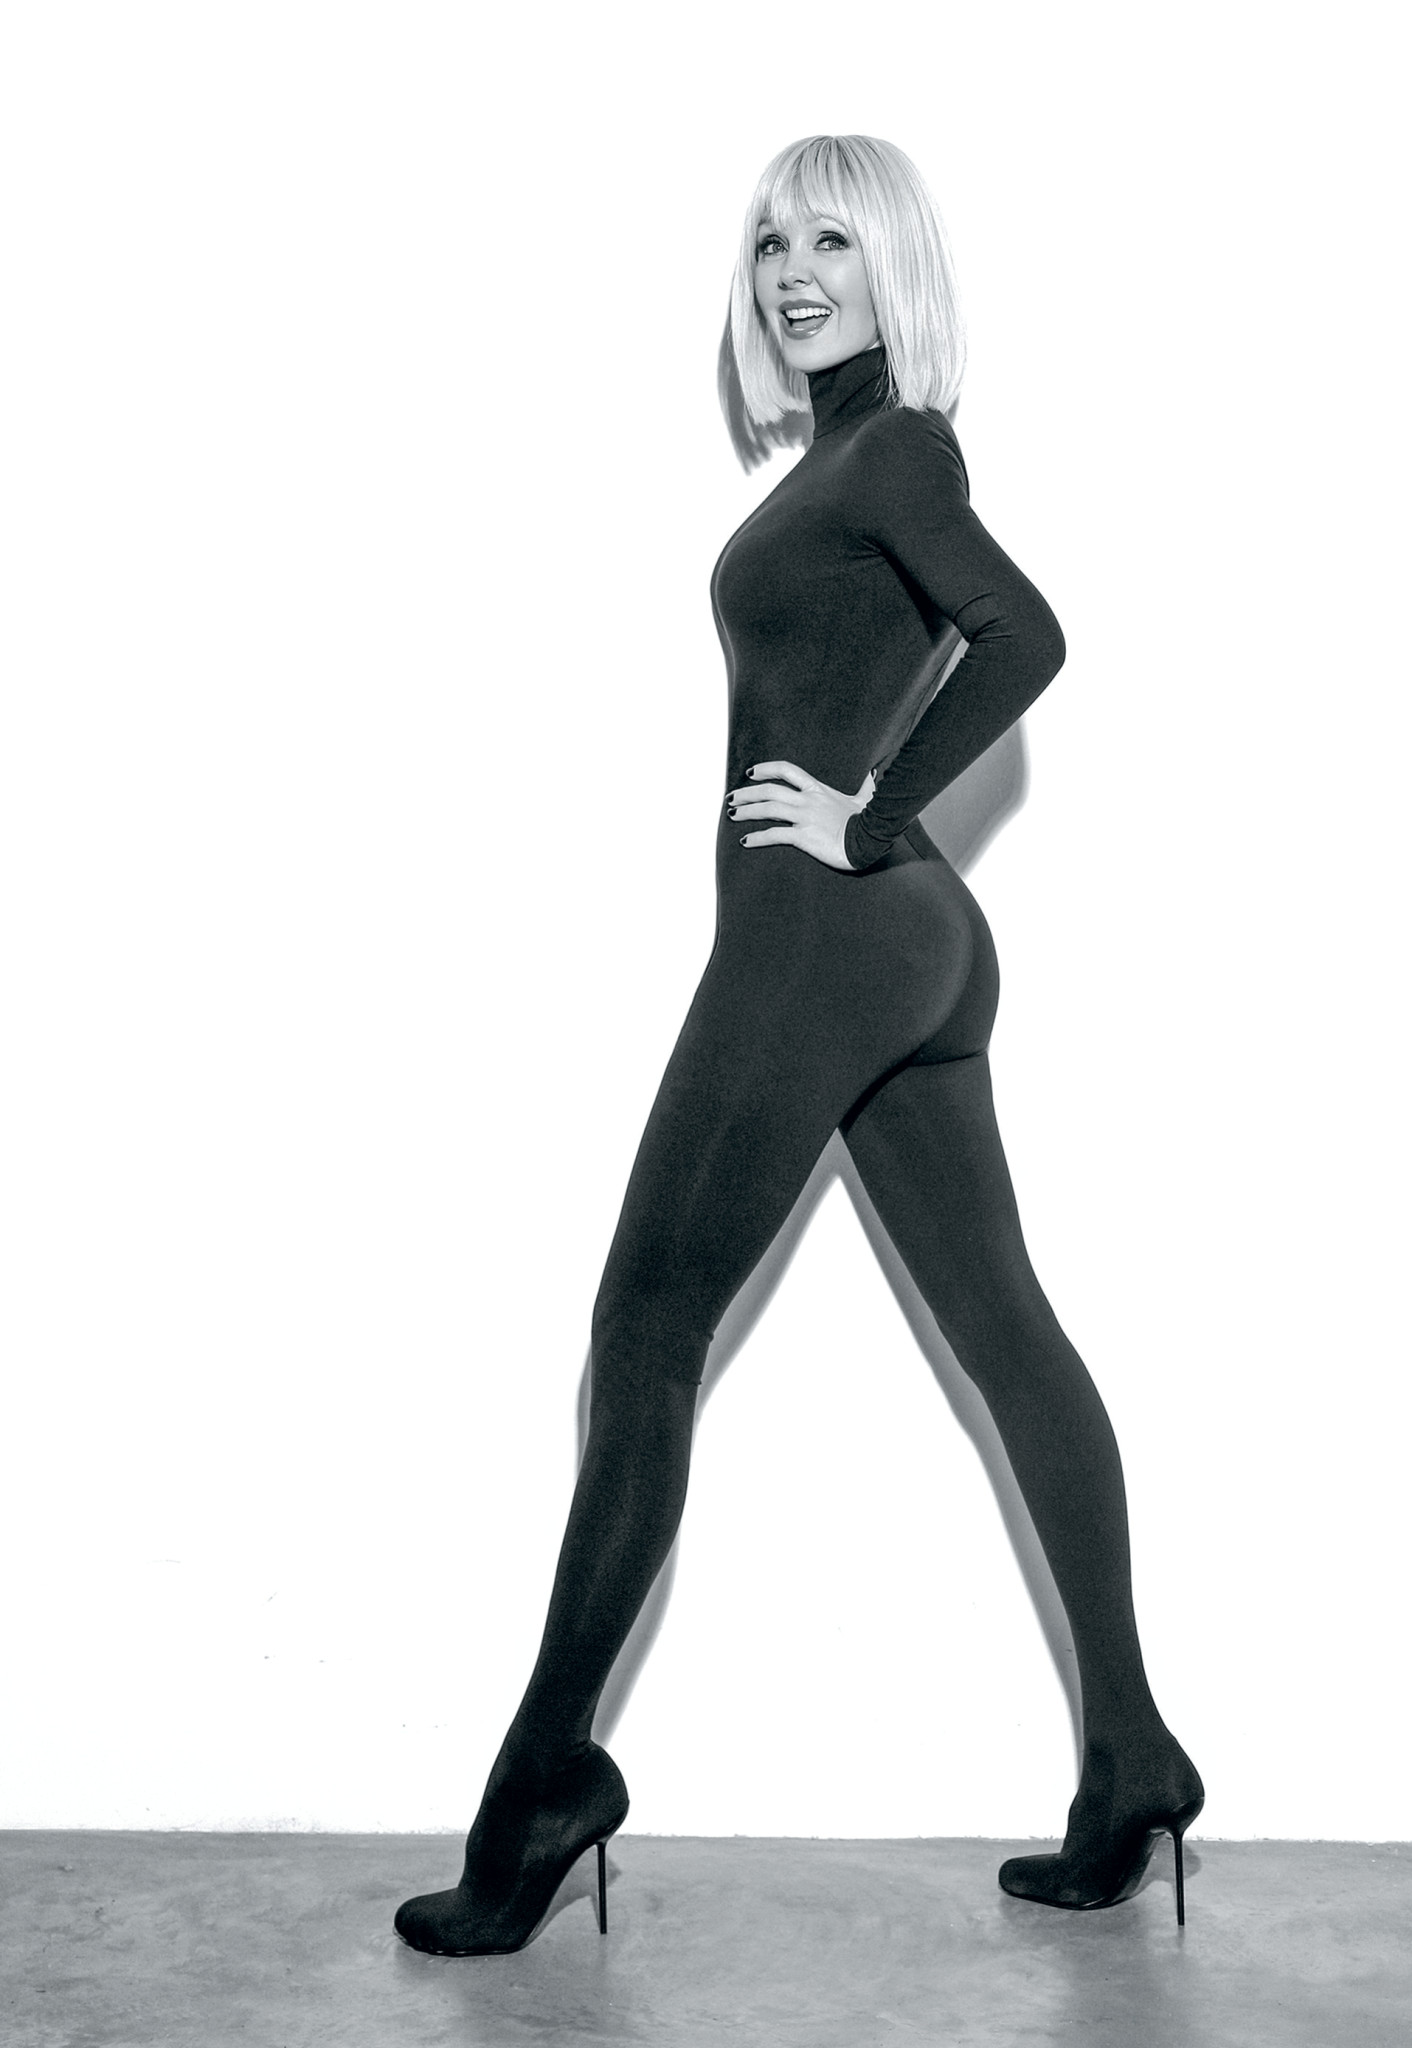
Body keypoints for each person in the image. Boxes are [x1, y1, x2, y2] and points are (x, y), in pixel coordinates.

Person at [394, 132, 1203, 1957]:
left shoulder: (897, 449)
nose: (790, 271)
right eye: (769, 241)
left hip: (833, 937)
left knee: (644, 1329)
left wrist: (870, 815)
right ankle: (1132, 1757)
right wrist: (884, 833)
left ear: (892, 260)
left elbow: (1025, 634)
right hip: (910, 949)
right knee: (1010, 1336)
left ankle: (538, 1790)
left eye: (830, 237)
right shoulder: (839, 459)